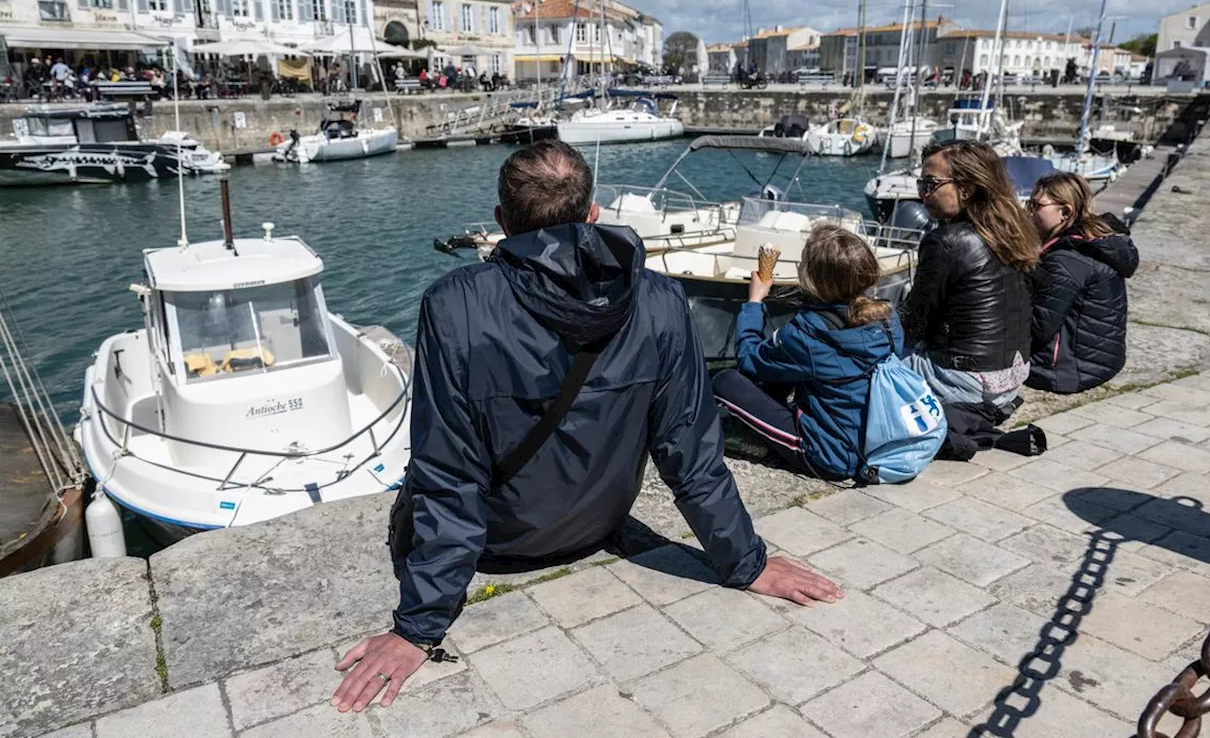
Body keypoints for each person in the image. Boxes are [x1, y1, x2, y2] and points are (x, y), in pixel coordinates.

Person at [331, 140, 842, 714]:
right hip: (598, 524)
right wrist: (745, 563)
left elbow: (449, 469)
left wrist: (417, 627)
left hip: (499, 544)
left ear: (502, 221)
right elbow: (690, 449)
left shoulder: (456, 304)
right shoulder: (661, 298)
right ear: (593, 213)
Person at [712, 225, 902, 478]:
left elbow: (749, 358)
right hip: (877, 443)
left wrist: (754, 302)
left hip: (830, 455)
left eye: (804, 263)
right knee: (787, 370)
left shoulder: (808, 333)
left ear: (813, 278)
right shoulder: (889, 320)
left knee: (725, 381)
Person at [901, 141, 1040, 414]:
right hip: (1009, 379)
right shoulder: (1013, 231)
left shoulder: (947, 241)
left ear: (966, 189)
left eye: (931, 184)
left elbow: (913, 323)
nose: (923, 194)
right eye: (921, 185)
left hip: (965, 382)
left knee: (861, 361)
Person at [1026, 173, 1139, 393]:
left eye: (1035, 205)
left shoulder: (1066, 259)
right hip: (1097, 361)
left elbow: (1038, 326)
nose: (1028, 211)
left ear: (1065, 212)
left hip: (1065, 372)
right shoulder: (1095, 240)